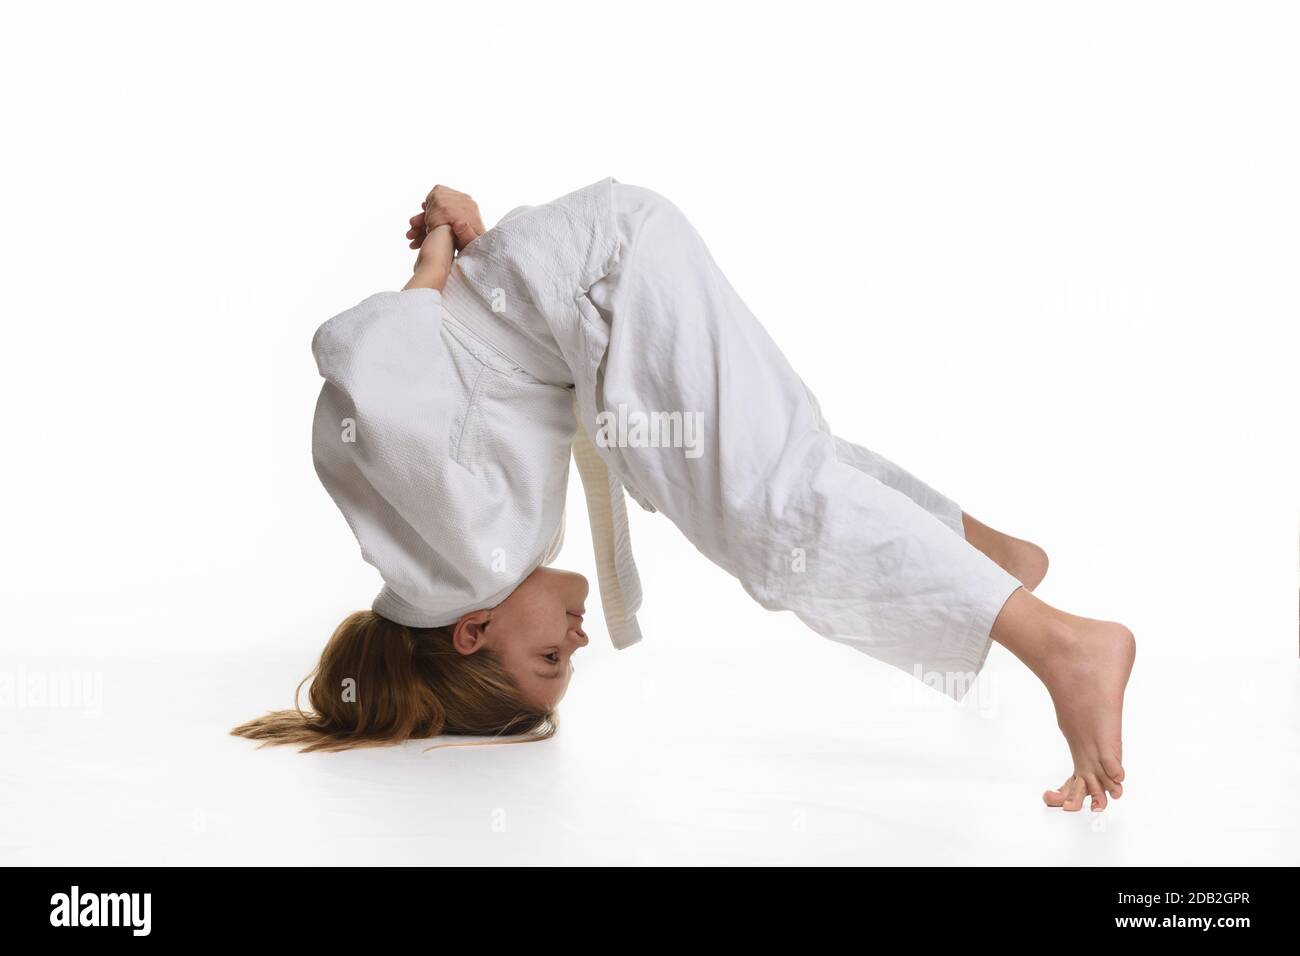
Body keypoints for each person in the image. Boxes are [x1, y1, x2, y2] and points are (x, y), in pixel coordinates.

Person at [232, 178, 1135, 813]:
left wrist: (442, 249)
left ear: (473, 633)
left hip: (602, 284)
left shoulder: (462, 549)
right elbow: (402, 371)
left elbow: (372, 359)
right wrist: (449, 250)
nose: (576, 643)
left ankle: (1063, 648)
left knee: (768, 505)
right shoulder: (445, 548)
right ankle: (986, 564)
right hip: (595, 277)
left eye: (550, 661)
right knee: (777, 472)